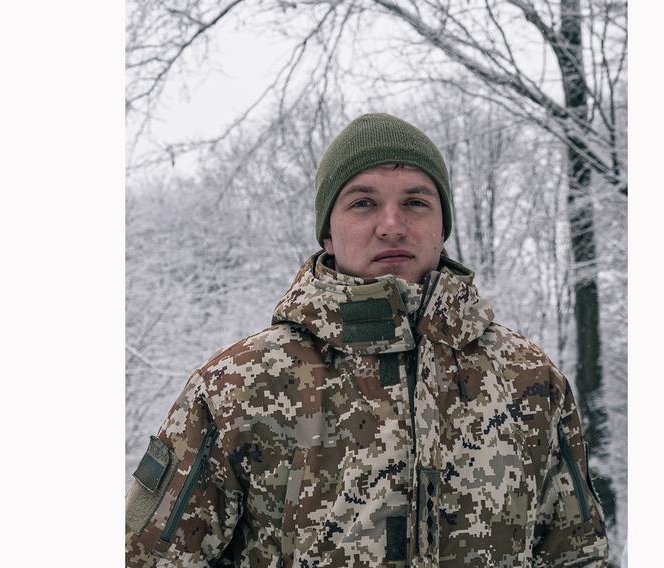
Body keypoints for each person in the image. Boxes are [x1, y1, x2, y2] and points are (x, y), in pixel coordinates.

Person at [125, 113, 609, 567]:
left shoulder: (528, 379)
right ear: (328, 234)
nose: (392, 224)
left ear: (442, 226)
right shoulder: (238, 386)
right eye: (363, 203)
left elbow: (578, 555)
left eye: (416, 202)